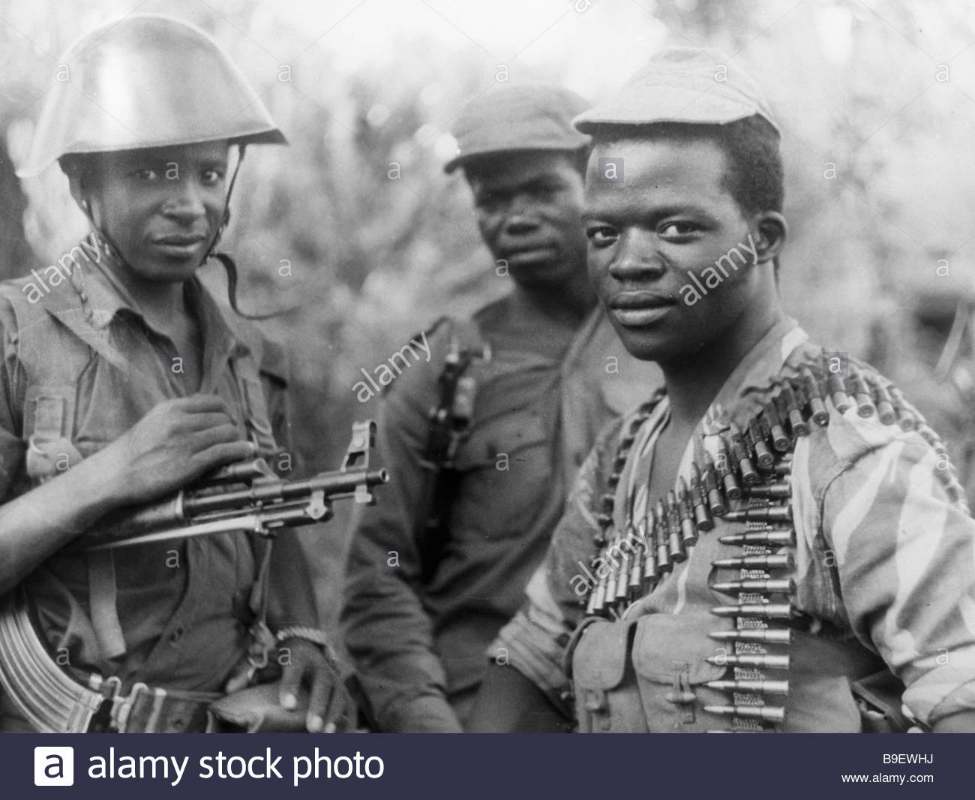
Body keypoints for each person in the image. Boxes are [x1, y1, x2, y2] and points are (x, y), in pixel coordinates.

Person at [470, 47, 975, 733]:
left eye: (676, 228)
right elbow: (527, 662)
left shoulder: (854, 455)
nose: (628, 263)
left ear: (762, 239)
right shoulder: (622, 458)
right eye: (602, 232)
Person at [0, 15, 347, 733]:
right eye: (150, 173)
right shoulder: (14, 335)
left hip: (225, 736)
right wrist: (113, 475)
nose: (190, 202)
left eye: (210, 173)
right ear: (81, 182)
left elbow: (271, 520)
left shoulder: (251, 358)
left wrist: (302, 638)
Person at [341, 84, 662, 732]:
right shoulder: (443, 367)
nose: (513, 218)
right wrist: (423, 719)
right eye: (492, 199)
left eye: (541, 191)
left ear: (596, 184)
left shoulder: (670, 344)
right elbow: (377, 575)